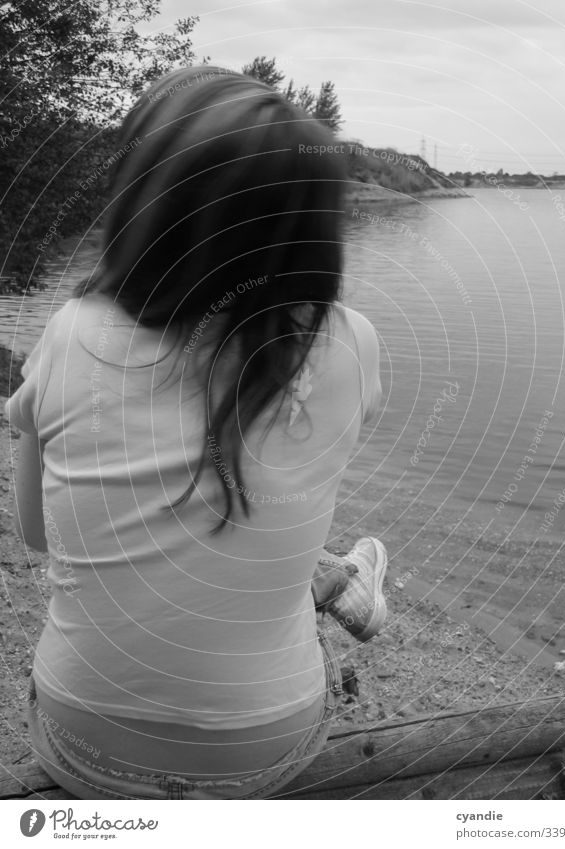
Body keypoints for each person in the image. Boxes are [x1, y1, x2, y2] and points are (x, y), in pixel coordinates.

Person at [5, 65, 388, 800]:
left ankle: (333, 574)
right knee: (265, 536)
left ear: (146, 204)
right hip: (270, 747)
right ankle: (340, 575)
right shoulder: (355, 342)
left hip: (84, 744)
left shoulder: (70, 333)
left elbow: (35, 530)